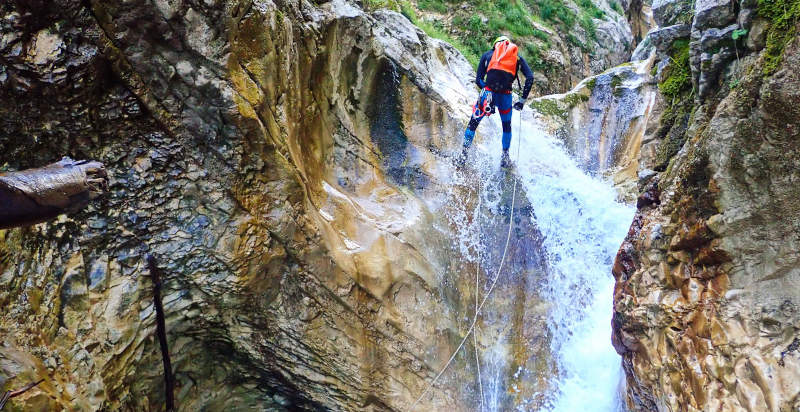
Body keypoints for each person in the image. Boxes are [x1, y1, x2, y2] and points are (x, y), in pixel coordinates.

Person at [460, 35, 534, 168]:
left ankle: (462, 157)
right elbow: (530, 77)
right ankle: (505, 158)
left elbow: (478, 80)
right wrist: (522, 101)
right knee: (506, 126)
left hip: (487, 94)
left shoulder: (487, 55)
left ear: (495, 45)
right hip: (505, 96)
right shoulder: (516, 58)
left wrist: (488, 91)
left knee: (473, 124)